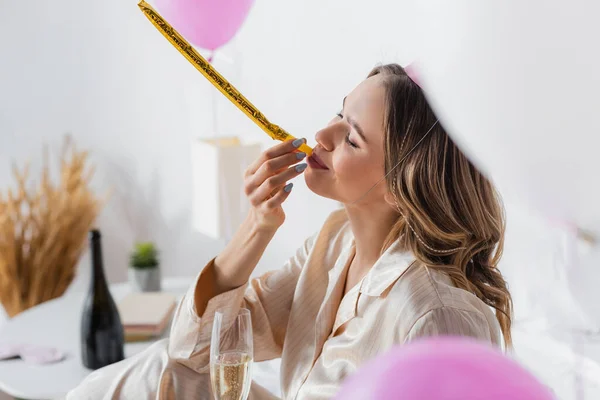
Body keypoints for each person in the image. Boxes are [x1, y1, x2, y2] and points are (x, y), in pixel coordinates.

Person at [66, 64, 513, 399]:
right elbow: (195, 350)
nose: (322, 133)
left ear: (403, 184)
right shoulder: (336, 242)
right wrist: (257, 224)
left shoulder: (435, 316)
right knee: (164, 370)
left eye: (352, 138)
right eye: (339, 114)